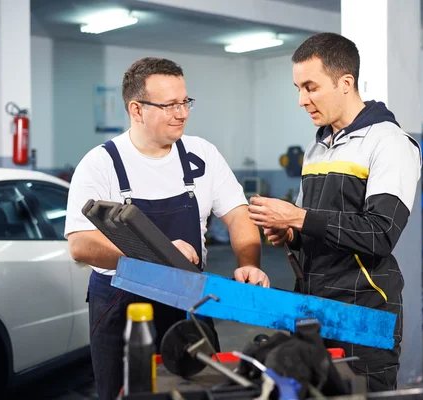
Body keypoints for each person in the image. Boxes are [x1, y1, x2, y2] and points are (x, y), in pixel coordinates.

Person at [64, 57, 270, 400]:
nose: (183, 113)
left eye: (185, 101)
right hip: (123, 309)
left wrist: (250, 262)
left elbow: (238, 214)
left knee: (203, 390)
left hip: (189, 300)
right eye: (170, 105)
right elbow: (80, 244)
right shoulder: (101, 164)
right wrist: (157, 251)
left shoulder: (201, 154)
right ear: (136, 109)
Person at [248, 33, 421, 391]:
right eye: (297, 88)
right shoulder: (317, 148)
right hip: (312, 306)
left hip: (363, 310)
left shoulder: (389, 142)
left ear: (346, 83)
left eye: (310, 87)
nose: (301, 100)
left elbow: (380, 233)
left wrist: (296, 217)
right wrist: (291, 232)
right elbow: (317, 224)